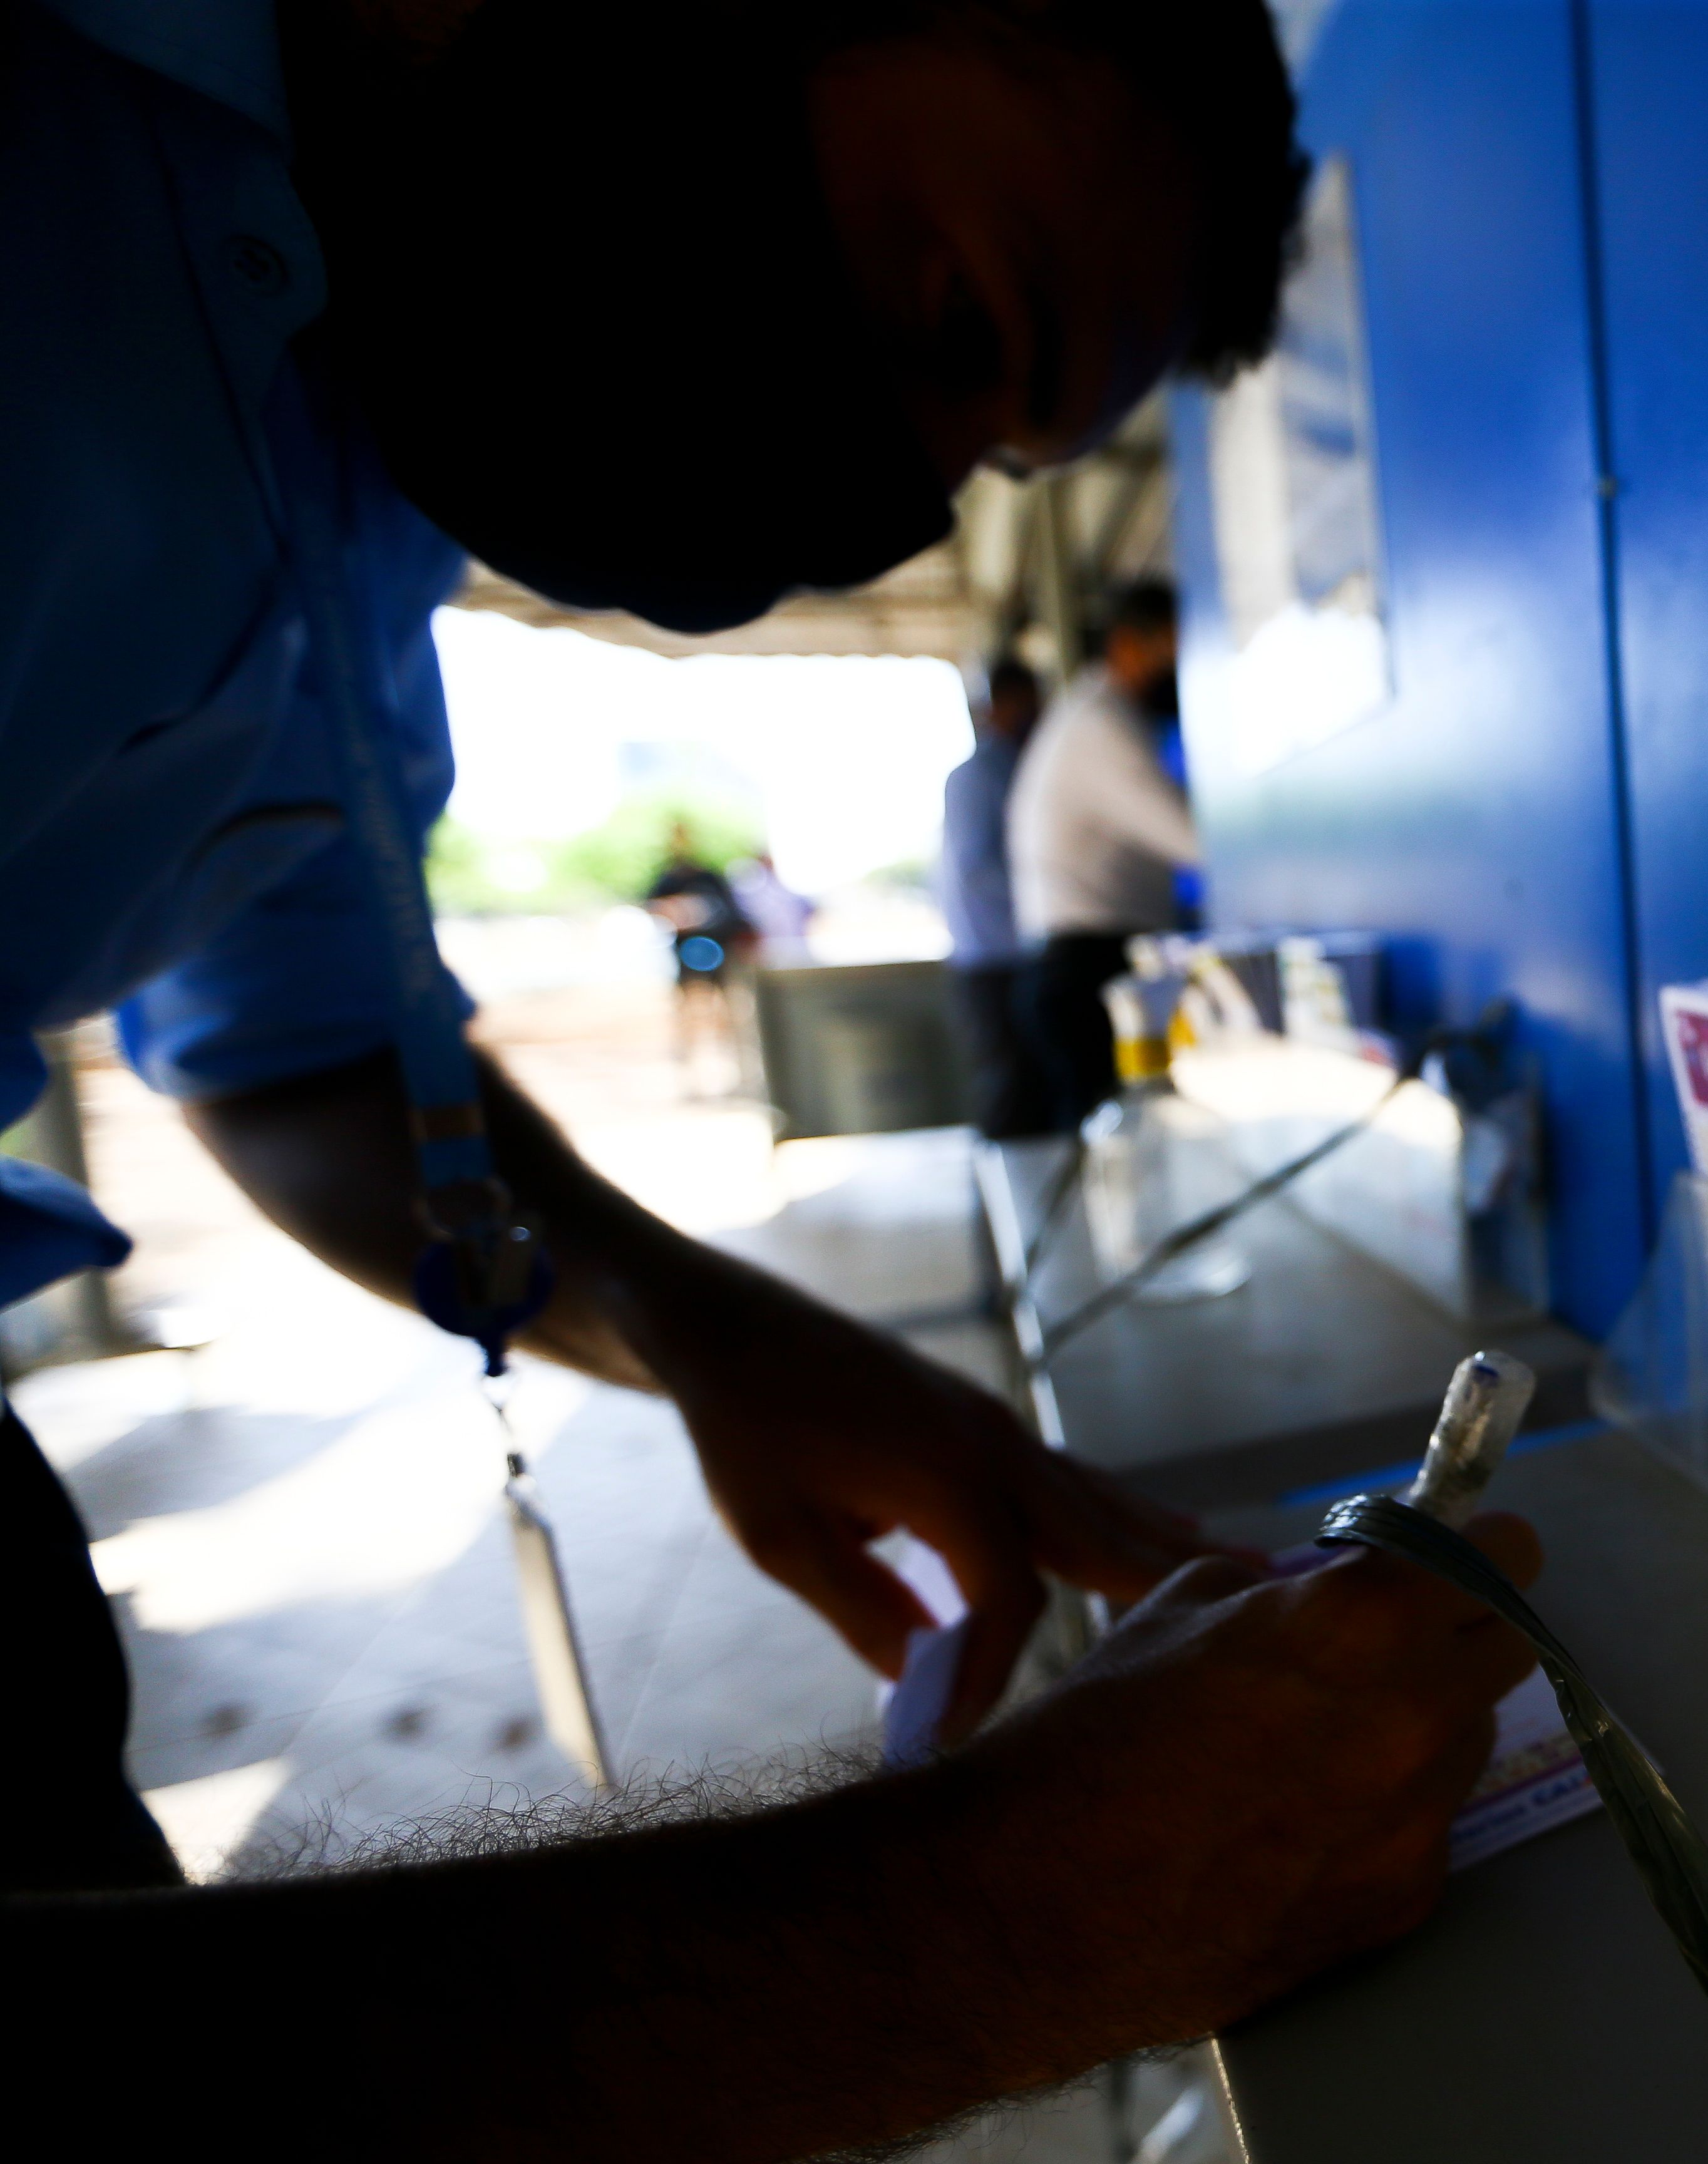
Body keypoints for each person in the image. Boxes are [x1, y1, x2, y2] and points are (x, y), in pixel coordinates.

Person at [0, 0, 1542, 2151]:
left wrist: (714, 1330)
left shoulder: (343, 449)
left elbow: (305, 1051)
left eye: (972, 466)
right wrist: (985, 1916)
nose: (872, 498)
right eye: (943, 308)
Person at [1012, 580, 1201, 1126]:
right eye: (1171, 648)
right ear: (1127, 644)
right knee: (1121, 1155)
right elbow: (1191, 841)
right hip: (1087, 973)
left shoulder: (1103, 716)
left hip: (1087, 962)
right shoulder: (1102, 725)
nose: (1177, 666)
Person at [942, 656, 1054, 1136]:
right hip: (996, 961)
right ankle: (1006, 1209)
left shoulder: (1008, 765)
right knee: (1012, 1093)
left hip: (1001, 959)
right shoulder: (983, 772)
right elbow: (979, 869)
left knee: (1027, 1091)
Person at [642, 820, 756, 1086]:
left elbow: (735, 913)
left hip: (720, 957)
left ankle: (739, 1074)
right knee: (688, 1015)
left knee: (729, 1015)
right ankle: (691, 1078)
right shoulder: (666, 879)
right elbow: (652, 908)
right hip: (686, 957)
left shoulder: (709, 877)